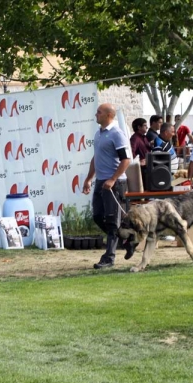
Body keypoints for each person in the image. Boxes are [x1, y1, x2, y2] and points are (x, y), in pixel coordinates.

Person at [82, 103, 130, 270]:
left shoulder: (117, 134)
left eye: (99, 112)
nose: (96, 114)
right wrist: (89, 179)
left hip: (114, 184)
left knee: (112, 221)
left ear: (109, 115)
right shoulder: (98, 134)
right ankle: (126, 239)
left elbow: (126, 160)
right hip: (101, 182)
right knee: (97, 216)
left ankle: (109, 257)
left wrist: (113, 179)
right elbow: (96, 159)